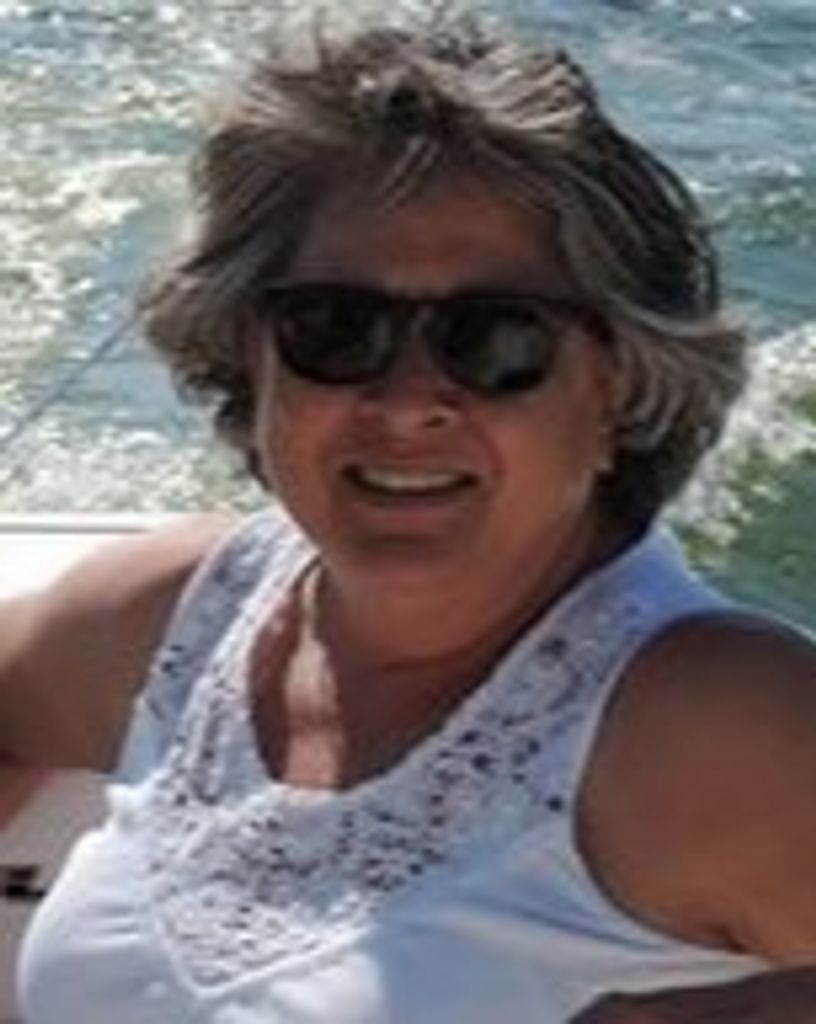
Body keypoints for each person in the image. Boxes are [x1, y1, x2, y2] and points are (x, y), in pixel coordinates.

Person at [1, 8, 815, 1022]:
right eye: (336, 328)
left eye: (495, 339)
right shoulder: (174, 615)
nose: (406, 402)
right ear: (251, 358)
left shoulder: (713, 722)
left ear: (615, 388)